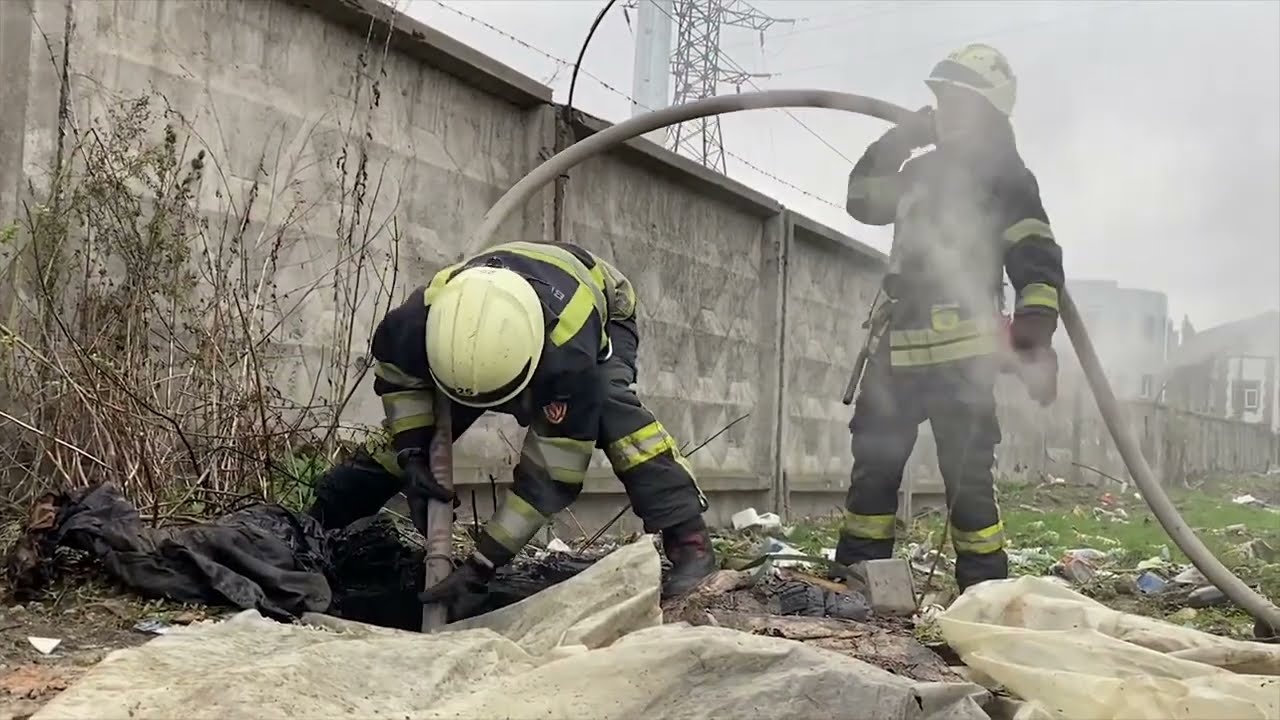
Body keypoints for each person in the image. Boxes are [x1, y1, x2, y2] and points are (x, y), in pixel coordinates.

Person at [306, 240, 716, 613]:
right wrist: (413, 453)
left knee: (617, 415)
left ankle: (689, 541)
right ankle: (319, 522)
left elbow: (551, 476)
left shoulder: (570, 357)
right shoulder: (418, 323)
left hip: (600, 305)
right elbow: (399, 382)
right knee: (402, 441)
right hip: (485, 327)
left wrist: (484, 564)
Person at [837, 43, 1064, 592]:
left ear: (988, 110)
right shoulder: (919, 172)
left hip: (964, 357)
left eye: (958, 101)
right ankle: (858, 585)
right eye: (941, 100)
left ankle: (984, 595)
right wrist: (899, 138)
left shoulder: (1006, 176)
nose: (945, 111)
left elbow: (1035, 254)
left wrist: (1034, 331)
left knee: (967, 485)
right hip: (896, 352)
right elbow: (861, 201)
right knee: (873, 471)